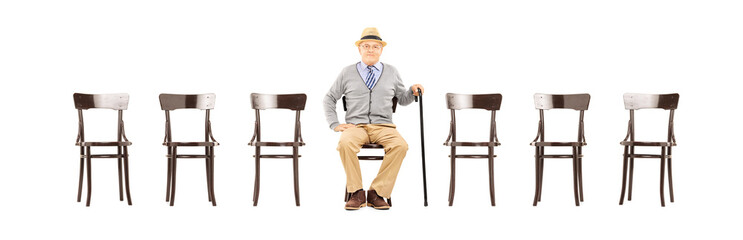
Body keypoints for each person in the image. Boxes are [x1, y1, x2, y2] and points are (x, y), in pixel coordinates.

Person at [323, 27, 424, 210]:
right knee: (345, 144)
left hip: (385, 126)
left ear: (381, 50)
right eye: (366, 46)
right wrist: (335, 124)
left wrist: (412, 91)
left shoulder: (392, 72)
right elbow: (329, 98)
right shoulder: (347, 72)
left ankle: (376, 192)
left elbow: (402, 99)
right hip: (355, 126)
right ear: (359, 49)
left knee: (400, 146)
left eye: (375, 46)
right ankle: (356, 192)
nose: (370, 50)